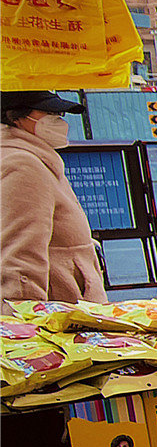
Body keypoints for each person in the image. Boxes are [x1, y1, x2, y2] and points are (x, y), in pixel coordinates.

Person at [1, 90, 104, 302]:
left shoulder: (33, 155)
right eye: (49, 113)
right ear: (16, 117)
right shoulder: (23, 163)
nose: (59, 121)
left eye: (60, 115)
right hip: (61, 307)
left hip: (67, 303)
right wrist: (28, 315)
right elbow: (20, 253)